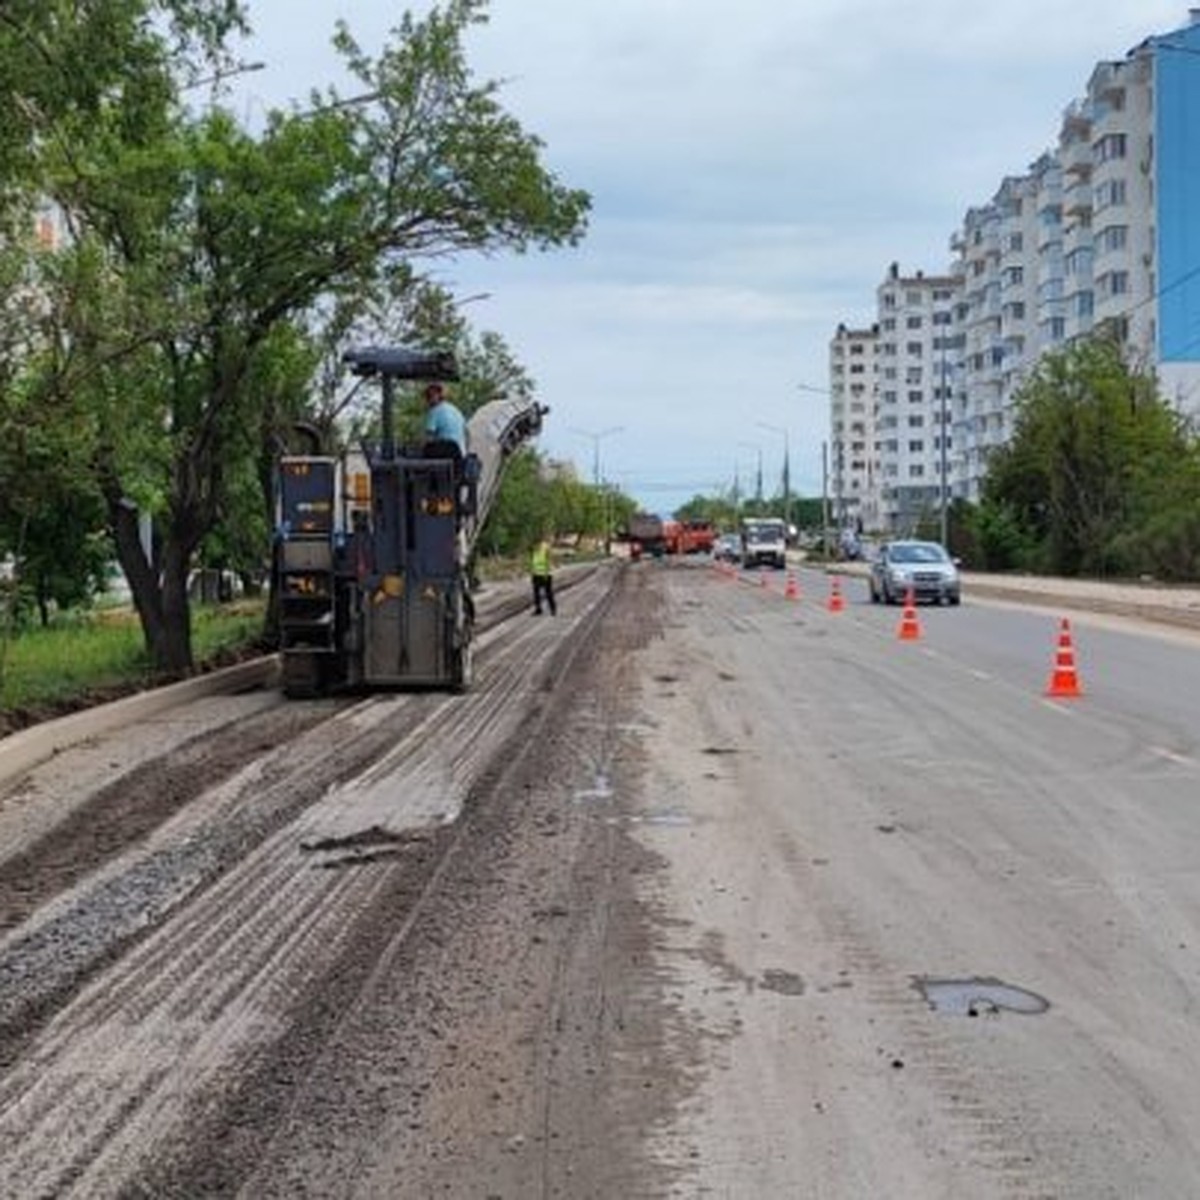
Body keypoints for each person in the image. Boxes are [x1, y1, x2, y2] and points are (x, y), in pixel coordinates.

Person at [422, 381, 467, 454]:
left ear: (439, 395)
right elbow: (466, 433)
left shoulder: (434, 411)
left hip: (445, 454)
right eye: (428, 396)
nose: (428, 399)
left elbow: (429, 438)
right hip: (461, 454)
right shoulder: (456, 410)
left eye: (429, 396)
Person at [530, 537, 556, 616]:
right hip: (536, 574)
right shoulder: (535, 551)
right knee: (536, 593)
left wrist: (546, 573)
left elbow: (549, 562)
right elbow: (533, 562)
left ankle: (553, 609)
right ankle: (538, 609)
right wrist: (532, 573)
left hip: (546, 575)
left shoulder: (546, 549)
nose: (534, 546)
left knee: (548, 593)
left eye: (535, 545)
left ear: (539, 543)